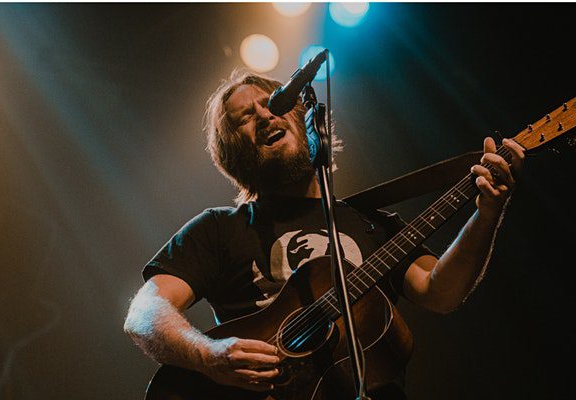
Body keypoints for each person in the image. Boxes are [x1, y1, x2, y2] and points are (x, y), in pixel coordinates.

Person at [124, 70, 525, 397]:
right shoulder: (219, 228)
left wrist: (487, 213)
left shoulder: (369, 222)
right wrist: (207, 355)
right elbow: (145, 314)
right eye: (244, 117)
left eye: (273, 103)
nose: (264, 116)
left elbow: (439, 291)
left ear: (301, 118)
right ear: (233, 152)